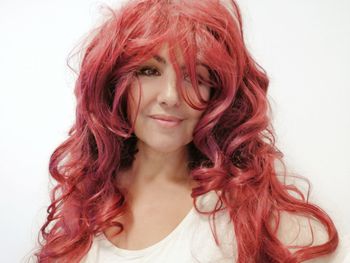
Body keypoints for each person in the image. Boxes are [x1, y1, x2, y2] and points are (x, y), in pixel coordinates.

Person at [32, 0, 345, 262]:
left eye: (196, 75)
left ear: (219, 93)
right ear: (115, 83)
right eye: (148, 70)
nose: (170, 95)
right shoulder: (85, 198)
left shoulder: (246, 215)